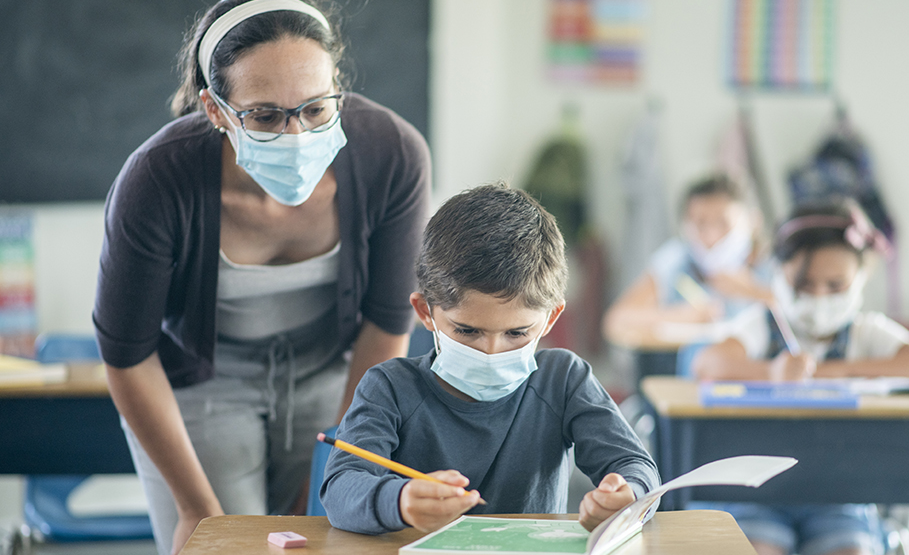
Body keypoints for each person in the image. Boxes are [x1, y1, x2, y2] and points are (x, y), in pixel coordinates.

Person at [92, 0, 430, 555]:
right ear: (215, 111)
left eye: (316, 108)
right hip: (203, 384)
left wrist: (334, 468)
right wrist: (196, 510)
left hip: (335, 372)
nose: (296, 134)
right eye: (267, 117)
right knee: (228, 544)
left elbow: (386, 325)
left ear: (336, 88)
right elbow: (127, 355)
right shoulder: (155, 181)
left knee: (336, 540)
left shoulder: (393, 154)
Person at [320, 183, 660, 535]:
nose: (491, 352)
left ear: (550, 319)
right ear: (425, 312)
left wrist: (627, 496)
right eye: (467, 331)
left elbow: (637, 466)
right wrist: (399, 499)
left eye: (517, 333)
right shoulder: (390, 387)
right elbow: (341, 488)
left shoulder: (564, 380)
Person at [691, 199, 906, 555]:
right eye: (804, 284)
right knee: (757, 547)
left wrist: (831, 372)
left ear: (861, 278)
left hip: (840, 495)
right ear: (778, 274)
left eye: (835, 286)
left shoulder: (865, 332)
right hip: (759, 495)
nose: (819, 296)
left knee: (852, 549)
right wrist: (770, 372)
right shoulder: (764, 324)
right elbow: (707, 363)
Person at [603, 173, 771, 348]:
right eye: (700, 224)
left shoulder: (771, 264)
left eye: (723, 223)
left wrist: (756, 292)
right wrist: (684, 316)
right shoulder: (676, 260)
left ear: (753, 222)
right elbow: (617, 321)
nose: (711, 236)